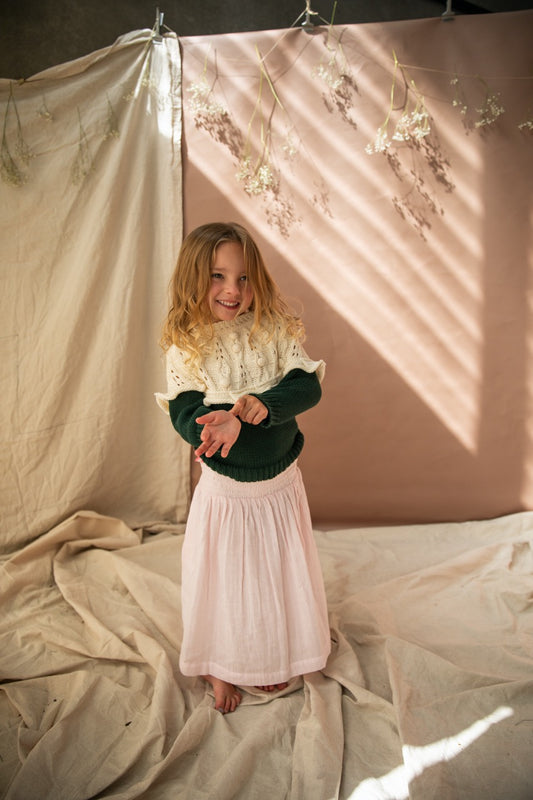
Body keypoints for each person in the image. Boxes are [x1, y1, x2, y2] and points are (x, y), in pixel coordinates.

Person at [155, 222, 331, 714]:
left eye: (244, 277)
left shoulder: (271, 328)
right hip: (228, 498)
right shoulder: (187, 344)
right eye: (218, 276)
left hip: (279, 489)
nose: (233, 290)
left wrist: (263, 405)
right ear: (193, 278)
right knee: (228, 583)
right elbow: (183, 411)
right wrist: (213, 426)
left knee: (276, 576)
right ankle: (220, 664)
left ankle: (274, 653)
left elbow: (307, 386)